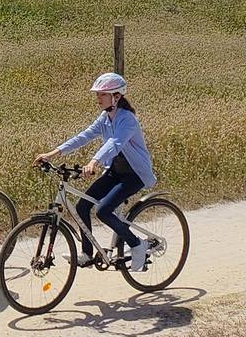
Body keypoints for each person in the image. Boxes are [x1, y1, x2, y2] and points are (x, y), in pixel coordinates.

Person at [35, 72, 156, 271]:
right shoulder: (106, 117)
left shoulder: (128, 120)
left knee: (103, 211)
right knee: (82, 206)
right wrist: (53, 153)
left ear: (115, 96)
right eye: (98, 95)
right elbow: (85, 135)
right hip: (115, 172)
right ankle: (87, 254)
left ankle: (137, 245)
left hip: (134, 175)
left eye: (102, 95)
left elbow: (115, 143)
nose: (97, 98)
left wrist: (94, 161)